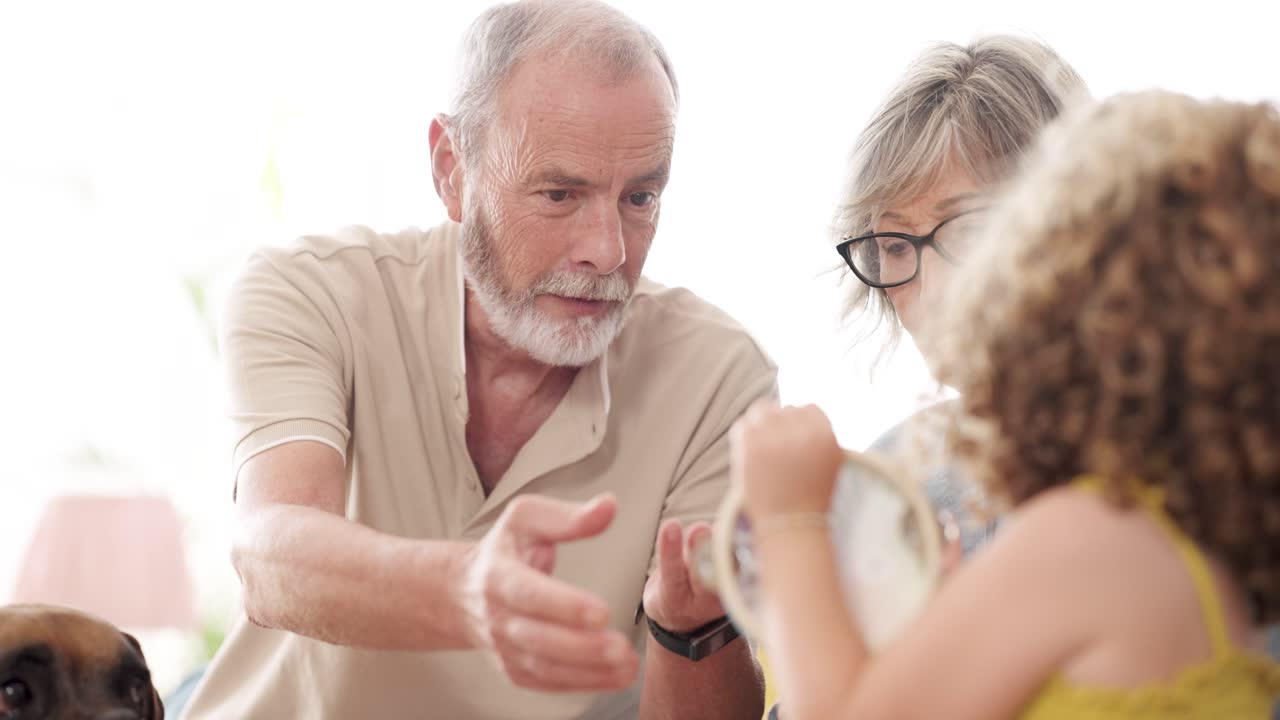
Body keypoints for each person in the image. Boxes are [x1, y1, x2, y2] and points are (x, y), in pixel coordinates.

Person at [176, 2, 775, 718]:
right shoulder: (311, 291)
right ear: (451, 169)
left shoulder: (719, 376)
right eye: (560, 194)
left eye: (641, 196)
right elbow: (271, 557)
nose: (609, 250)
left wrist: (694, 629)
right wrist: (466, 590)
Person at [732, 91, 1280, 718]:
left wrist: (789, 520)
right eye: (893, 245)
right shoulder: (1187, 546)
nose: (942, 290)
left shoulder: (1081, 540)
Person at [833, 35, 1087, 555]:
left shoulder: (1182, 459)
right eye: (896, 245)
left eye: (969, 233)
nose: (934, 291)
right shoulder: (889, 486)